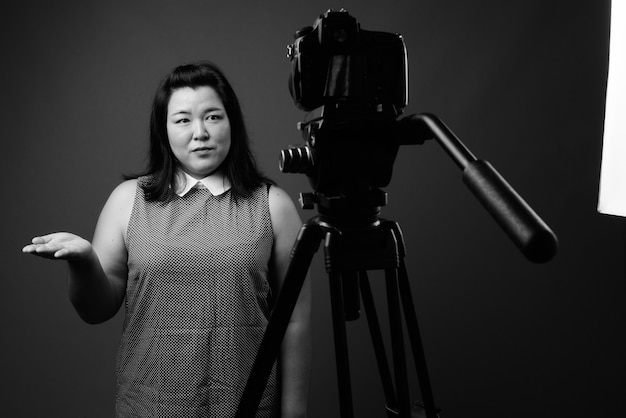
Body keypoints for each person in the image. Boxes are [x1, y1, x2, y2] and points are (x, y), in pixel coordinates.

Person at [22, 62, 311, 418]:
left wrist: (295, 414)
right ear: (164, 130)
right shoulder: (129, 199)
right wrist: (83, 262)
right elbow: (96, 310)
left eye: (213, 117)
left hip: (248, 406)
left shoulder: (272, 204)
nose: (200, 132)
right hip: (149, 407)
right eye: (183, 119)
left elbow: (294, 323)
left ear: (232, 122)